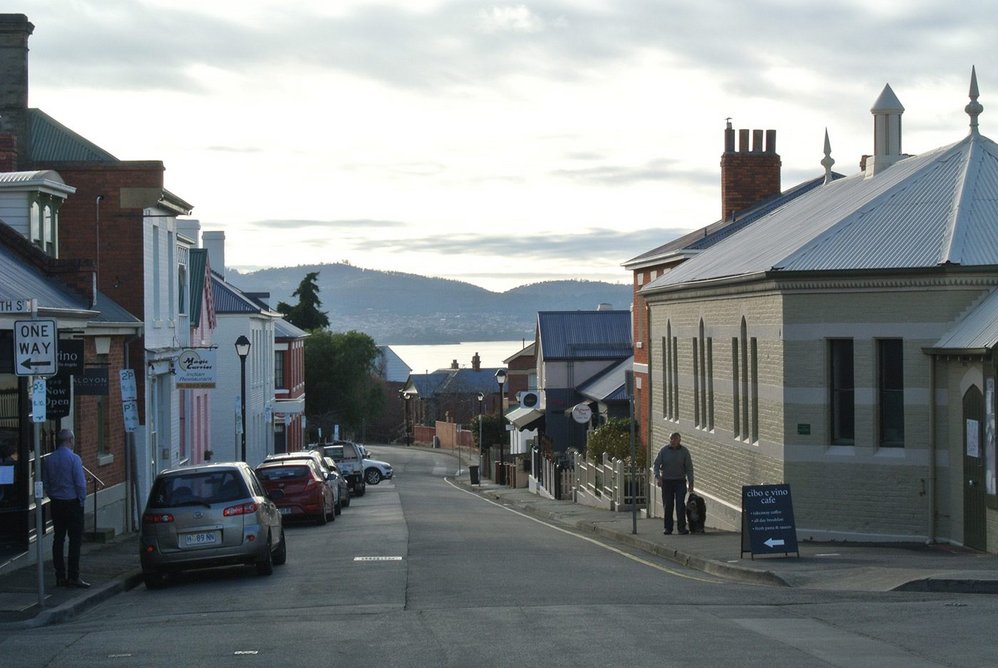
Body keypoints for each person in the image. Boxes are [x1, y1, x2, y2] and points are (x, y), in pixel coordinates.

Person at [42, 429, 90, 588]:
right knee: (75, 541)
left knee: (59, 539)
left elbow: (46, 482)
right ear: (70, 440)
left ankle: (60, 576)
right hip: (72, 502)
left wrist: (52, 495)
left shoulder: (49, 460)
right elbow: (80, 483)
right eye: (73, 440)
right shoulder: (74, 459)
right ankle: (73, 576)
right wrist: (81, 500)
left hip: (57, 503)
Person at [653, 432, 694, 535]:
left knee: (680, 505)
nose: (673, 441)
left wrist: (691, 482)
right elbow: (656, 465)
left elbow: (689, 468)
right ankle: (668, 528)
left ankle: (681, 528)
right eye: (671, 439)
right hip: (667, 481)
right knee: (668, 505)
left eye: (675, 439)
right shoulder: (664, 451)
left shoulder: (684, 452)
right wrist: (658, 478)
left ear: (679, 440)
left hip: (680, 481)